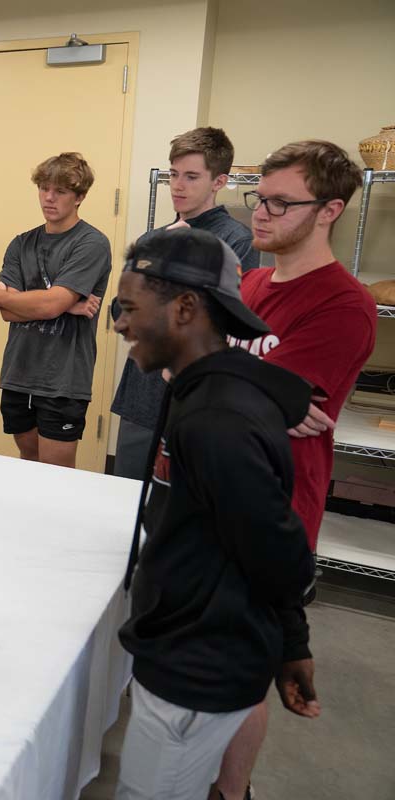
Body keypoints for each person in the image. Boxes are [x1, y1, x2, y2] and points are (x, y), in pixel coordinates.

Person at [113, 228, 318, 800]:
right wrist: (293, 644)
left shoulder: (216, 421)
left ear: (184, 308)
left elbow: (282, 555)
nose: (121, 325)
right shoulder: (203, 395)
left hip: (196, 672)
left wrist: (291, 643)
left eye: (129, 309)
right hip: (196, 649)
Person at [214, 140, 376, 800]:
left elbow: (219, 389)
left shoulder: (344, 306)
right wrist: (244, 387)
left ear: (331, 210)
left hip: (276, 508)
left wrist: (210, 374)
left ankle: (230, 792)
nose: (262, 213)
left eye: (282, 203)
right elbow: (227, 393)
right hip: (218, 490)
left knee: (242, 668)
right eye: (260, 197)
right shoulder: (252, 282)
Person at [111, 127, 259, 480]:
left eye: (192, 176)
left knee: (179, 513)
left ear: (219, 181)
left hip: (196, 404)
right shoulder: (153, 238)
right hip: (141, 398)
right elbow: (119, 314)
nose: (178, 186)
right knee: (123, 507)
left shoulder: (235, 242)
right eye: (173, 175)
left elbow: (215, 325)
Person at [0, 152, 111, 468]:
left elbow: (47, 304)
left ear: (80, 196)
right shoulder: (21, 243)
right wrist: (63, 305)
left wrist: (47, 304)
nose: (49, 197)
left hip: (64, 379)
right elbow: (2, 307)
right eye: (44, 188)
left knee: (57, 476)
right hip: (19, 372)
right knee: (28, 462)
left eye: (60, 191)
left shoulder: (92, 243)